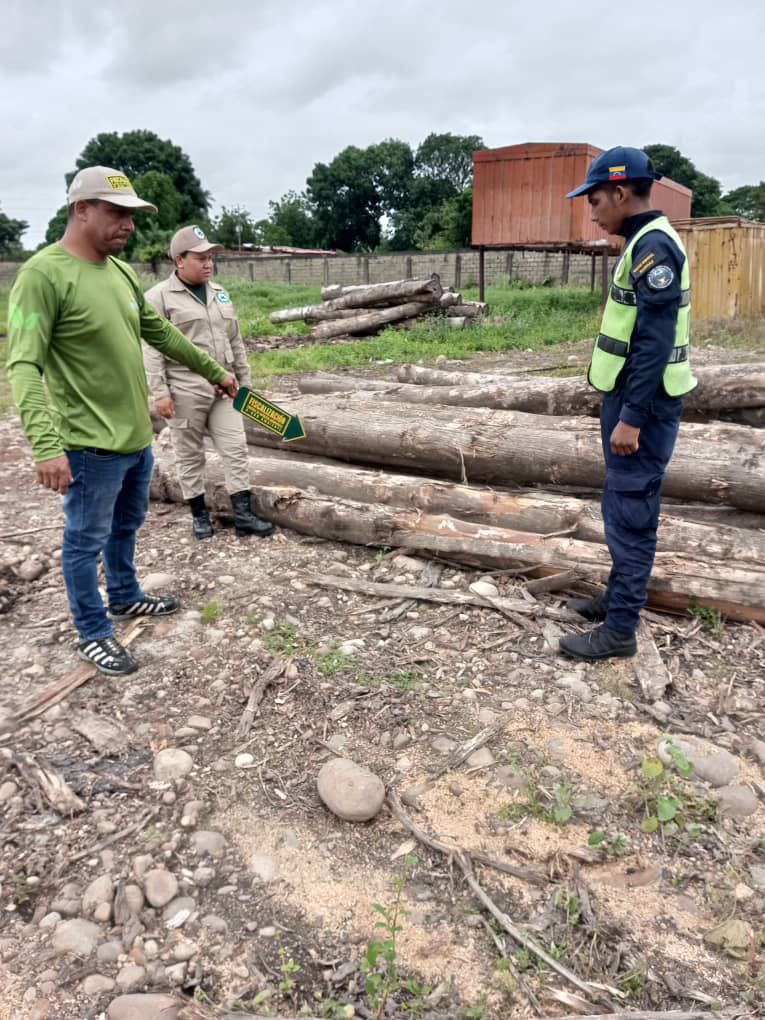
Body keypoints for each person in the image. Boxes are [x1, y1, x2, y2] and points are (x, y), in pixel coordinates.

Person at [6, 166, 238, 677]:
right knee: (84, 540)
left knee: (126, 525)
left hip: (135, 439)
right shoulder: (43, 276)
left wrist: (213, 370)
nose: (129, 224)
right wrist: (45, 445)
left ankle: (125, 594)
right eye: (117, 212)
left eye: (132, 215)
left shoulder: (121, 273)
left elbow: (161, 332)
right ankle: (92, 631)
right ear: (81, 209)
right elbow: (23, 365)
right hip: (88, 446)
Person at [559, 146, 696, 661]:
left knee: (632, 513)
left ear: (619, 193)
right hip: (631, 398)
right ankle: (615, 600)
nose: (591, 212)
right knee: (621, 504)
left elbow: (655, 342)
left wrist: (632, 418)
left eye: (594, 200)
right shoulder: (642, 242)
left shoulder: (653, 248)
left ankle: (619, 630)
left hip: (646, 405)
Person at [143, 225, 273, 540]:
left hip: (225, 387)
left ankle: (243, 515)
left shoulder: (219, 292)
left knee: (235, 447)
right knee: (189, 454)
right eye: (200, 258)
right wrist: (160, 392)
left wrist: (245, 381)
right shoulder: (158, 298)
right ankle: (200, 516)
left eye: (211, 258)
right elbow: (151, 349)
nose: (208, 264)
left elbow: (235, 340)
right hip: (185, 388)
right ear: (179, 260)